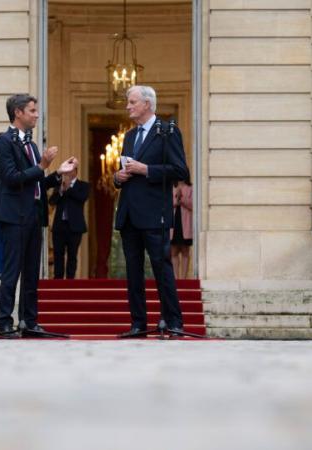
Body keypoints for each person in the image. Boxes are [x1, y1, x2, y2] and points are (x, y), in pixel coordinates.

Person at [0, 93, 76, 334]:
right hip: (14, 216)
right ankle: (6, 322)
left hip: (33, 215)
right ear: (18, 113)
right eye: (32, 110)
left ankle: (29, 321)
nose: (36, 114)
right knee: (12, 272)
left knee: (32, 272)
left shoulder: (29, 143)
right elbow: (11, 179)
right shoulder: (4, 141)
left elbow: (36, 183)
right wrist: (41, 166)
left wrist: (58, 173)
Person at [114, 85, 189, 337]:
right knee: (132, 271)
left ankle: (173, 321)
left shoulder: (167, 132)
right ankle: (138, 324)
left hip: (155, 212)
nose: (128, 106)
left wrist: (146, 170)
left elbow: (180, 171)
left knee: (161, 268)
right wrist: (118, 175)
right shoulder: (129, 136)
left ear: (147, 104)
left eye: (132, 102)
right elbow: (123, 171)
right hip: (128, 213)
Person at [49, 166, 89, 279]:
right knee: (58, 255)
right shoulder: (59, 186)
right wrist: (61, 190)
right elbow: (52, 201)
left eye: (70, 170)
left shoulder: (83, 186)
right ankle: (58, 281)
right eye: (66, 171)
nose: (67, 173)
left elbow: (81, 197)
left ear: (76, 171)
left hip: (75, 227)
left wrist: (69, 188)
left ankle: (70, 282)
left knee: (72, 255)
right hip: (59, 227)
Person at [170, 178, 193, 280]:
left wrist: (182, 198)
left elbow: (193, 205)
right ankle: (175, 278)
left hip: (186, 224)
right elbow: (166, 204)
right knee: (173, 251)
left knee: (185, 251)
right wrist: (176, 199)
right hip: (173, 223)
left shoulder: (191, 188)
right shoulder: (171, 187)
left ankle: (183, 278)